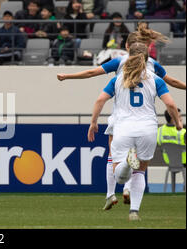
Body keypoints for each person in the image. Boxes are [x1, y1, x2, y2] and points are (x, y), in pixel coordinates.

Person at [56, 26, 186, 210]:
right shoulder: (153, 65)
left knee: (113, 157)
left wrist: (67, 76)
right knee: (139, 168)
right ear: (146, 50)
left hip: (121, 117)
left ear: (127, 46)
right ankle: (128, 193)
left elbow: (92, 73)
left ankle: (111, 193)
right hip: (146, 122)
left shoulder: (119, 63)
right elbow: (172, 83)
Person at [87, 42, 183, 221]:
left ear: (128, 56)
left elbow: (100, 100)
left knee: (120, 177)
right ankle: (134, 212)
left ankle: (126, 164)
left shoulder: (118, 78)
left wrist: (93, 122)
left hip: (123, 129)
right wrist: (178, 123)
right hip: (147, 130)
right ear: (148, 59)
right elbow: (170, 104)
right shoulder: (155, 79)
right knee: (139, 172)